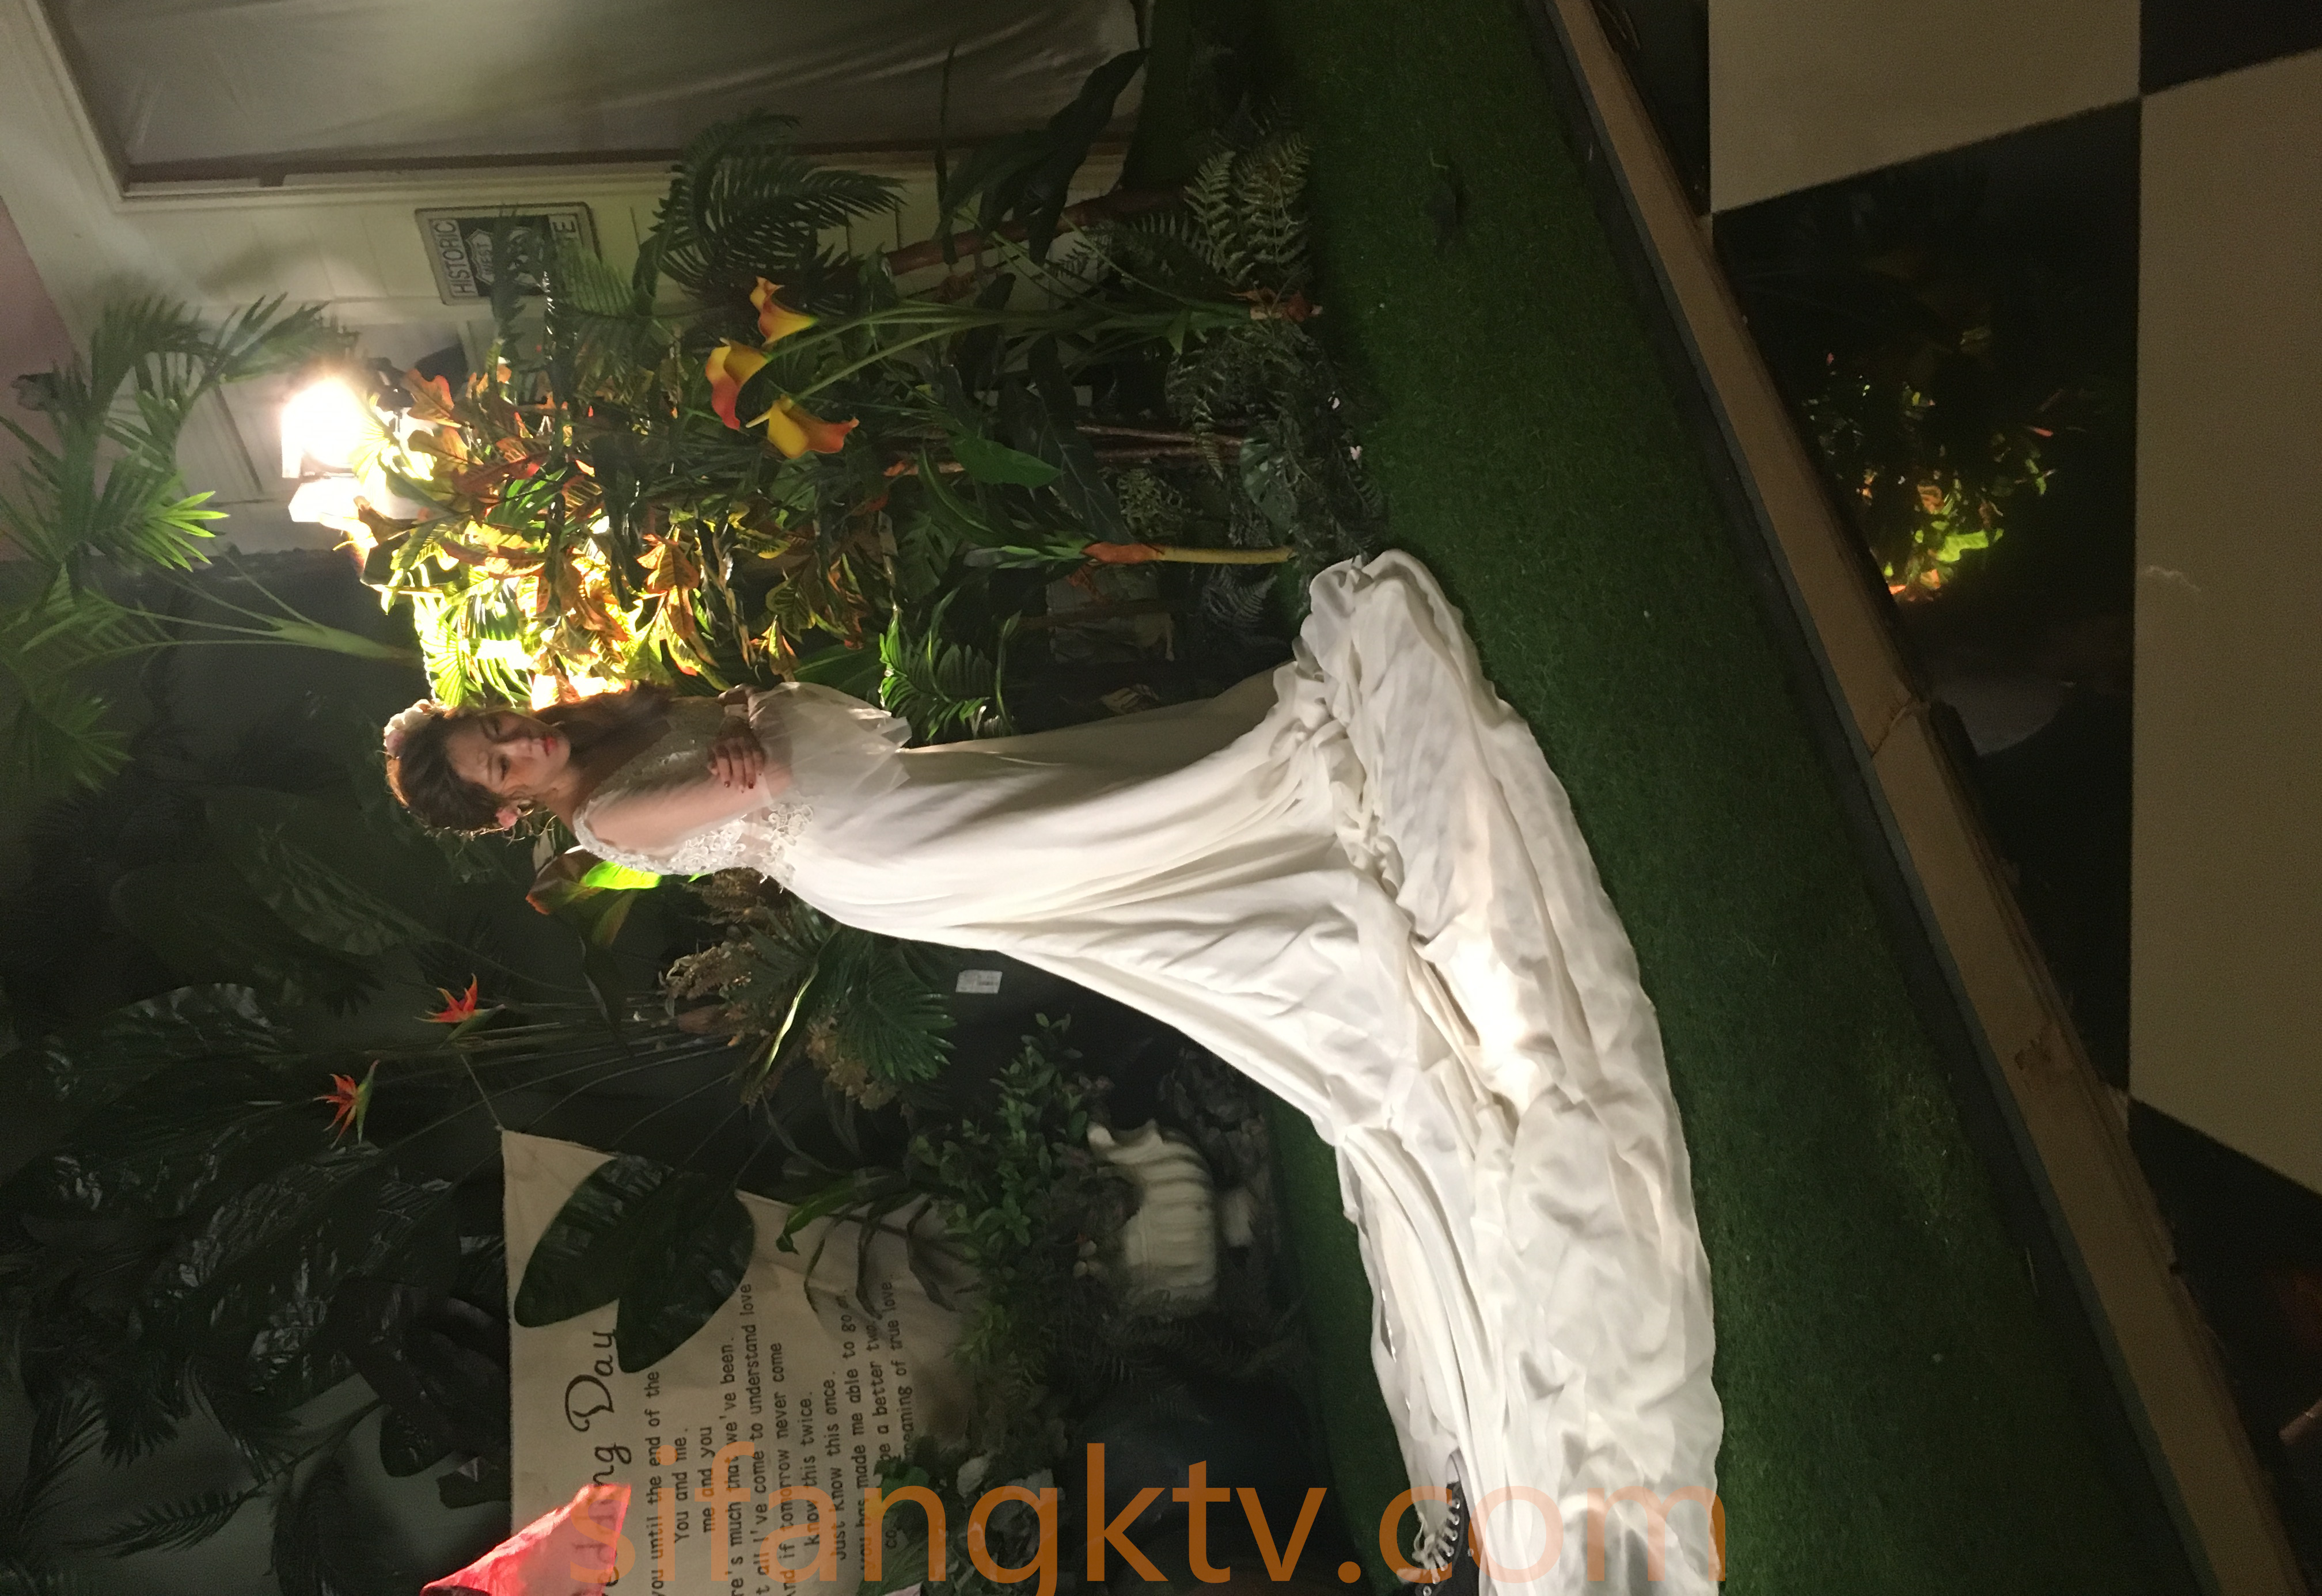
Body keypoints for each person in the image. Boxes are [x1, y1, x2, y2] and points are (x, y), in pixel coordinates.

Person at [384, 552, 1722, 1595]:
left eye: (496, 726)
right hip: (876, 849)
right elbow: (756, 779)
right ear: (501, 809)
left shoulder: (600, 733)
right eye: (498, 764)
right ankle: (1283, 818)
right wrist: (737, 753)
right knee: (1100, 853)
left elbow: (746, 749)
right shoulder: (608, 813)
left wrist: (730, 741)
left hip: (887, 809)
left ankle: (1266, 795)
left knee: (1089, 810)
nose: (520, 743)